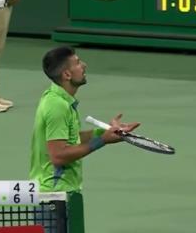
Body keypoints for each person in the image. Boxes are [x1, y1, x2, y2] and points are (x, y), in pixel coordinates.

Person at [29, 46, 140, 230]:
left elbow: (69, 139)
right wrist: (102, 141)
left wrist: (105, 132)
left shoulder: (58, 98)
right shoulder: (57, 106)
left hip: (63, 194)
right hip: (53, 197)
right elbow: (58, 155)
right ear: (67, 74)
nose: (84, 65)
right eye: (78, 63)